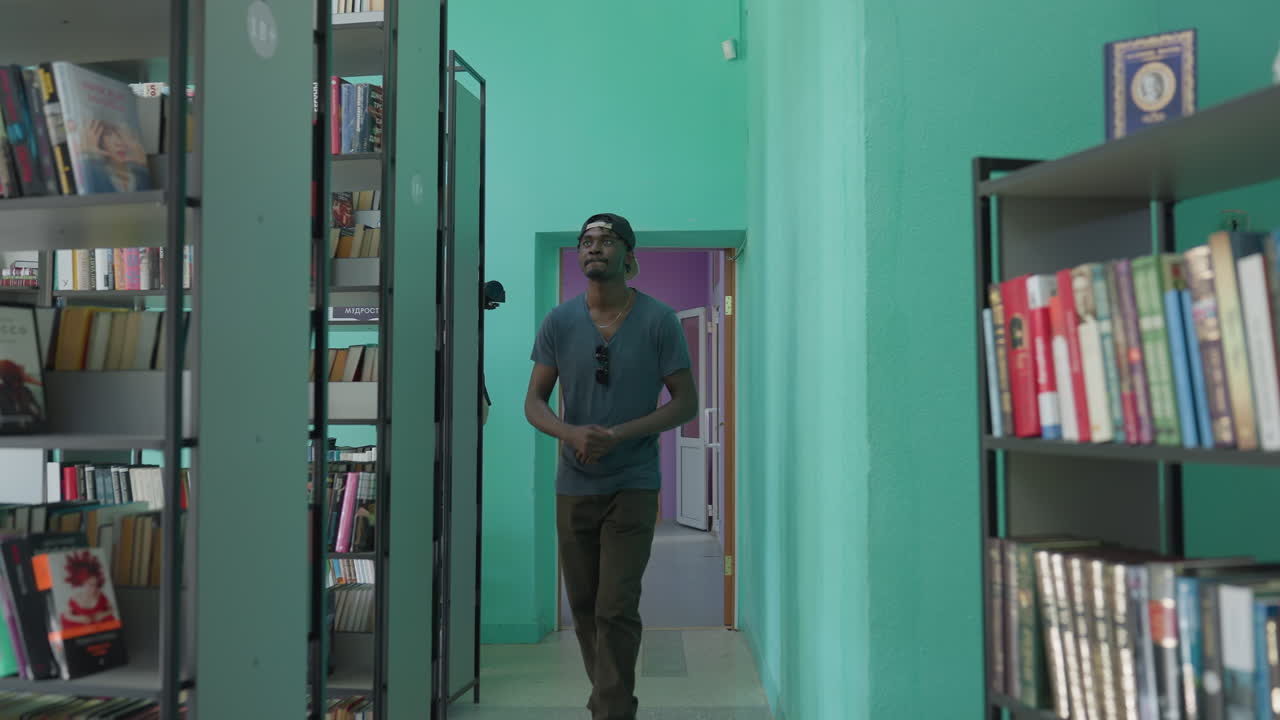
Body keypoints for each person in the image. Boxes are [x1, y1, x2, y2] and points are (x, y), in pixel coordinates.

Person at [524, 213, 697, 720]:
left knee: (615, 606)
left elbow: (685, 403)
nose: (593, 247)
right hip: (573, 487)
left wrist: (618, 434)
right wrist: (571, 432)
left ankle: (611, 710)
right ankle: (608, 697)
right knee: (582, 607)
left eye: (606, 240)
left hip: (633, 484)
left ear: (629, 256)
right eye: (586, 241)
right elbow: (534, 401)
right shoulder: (559, 321)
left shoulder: (659, 321)